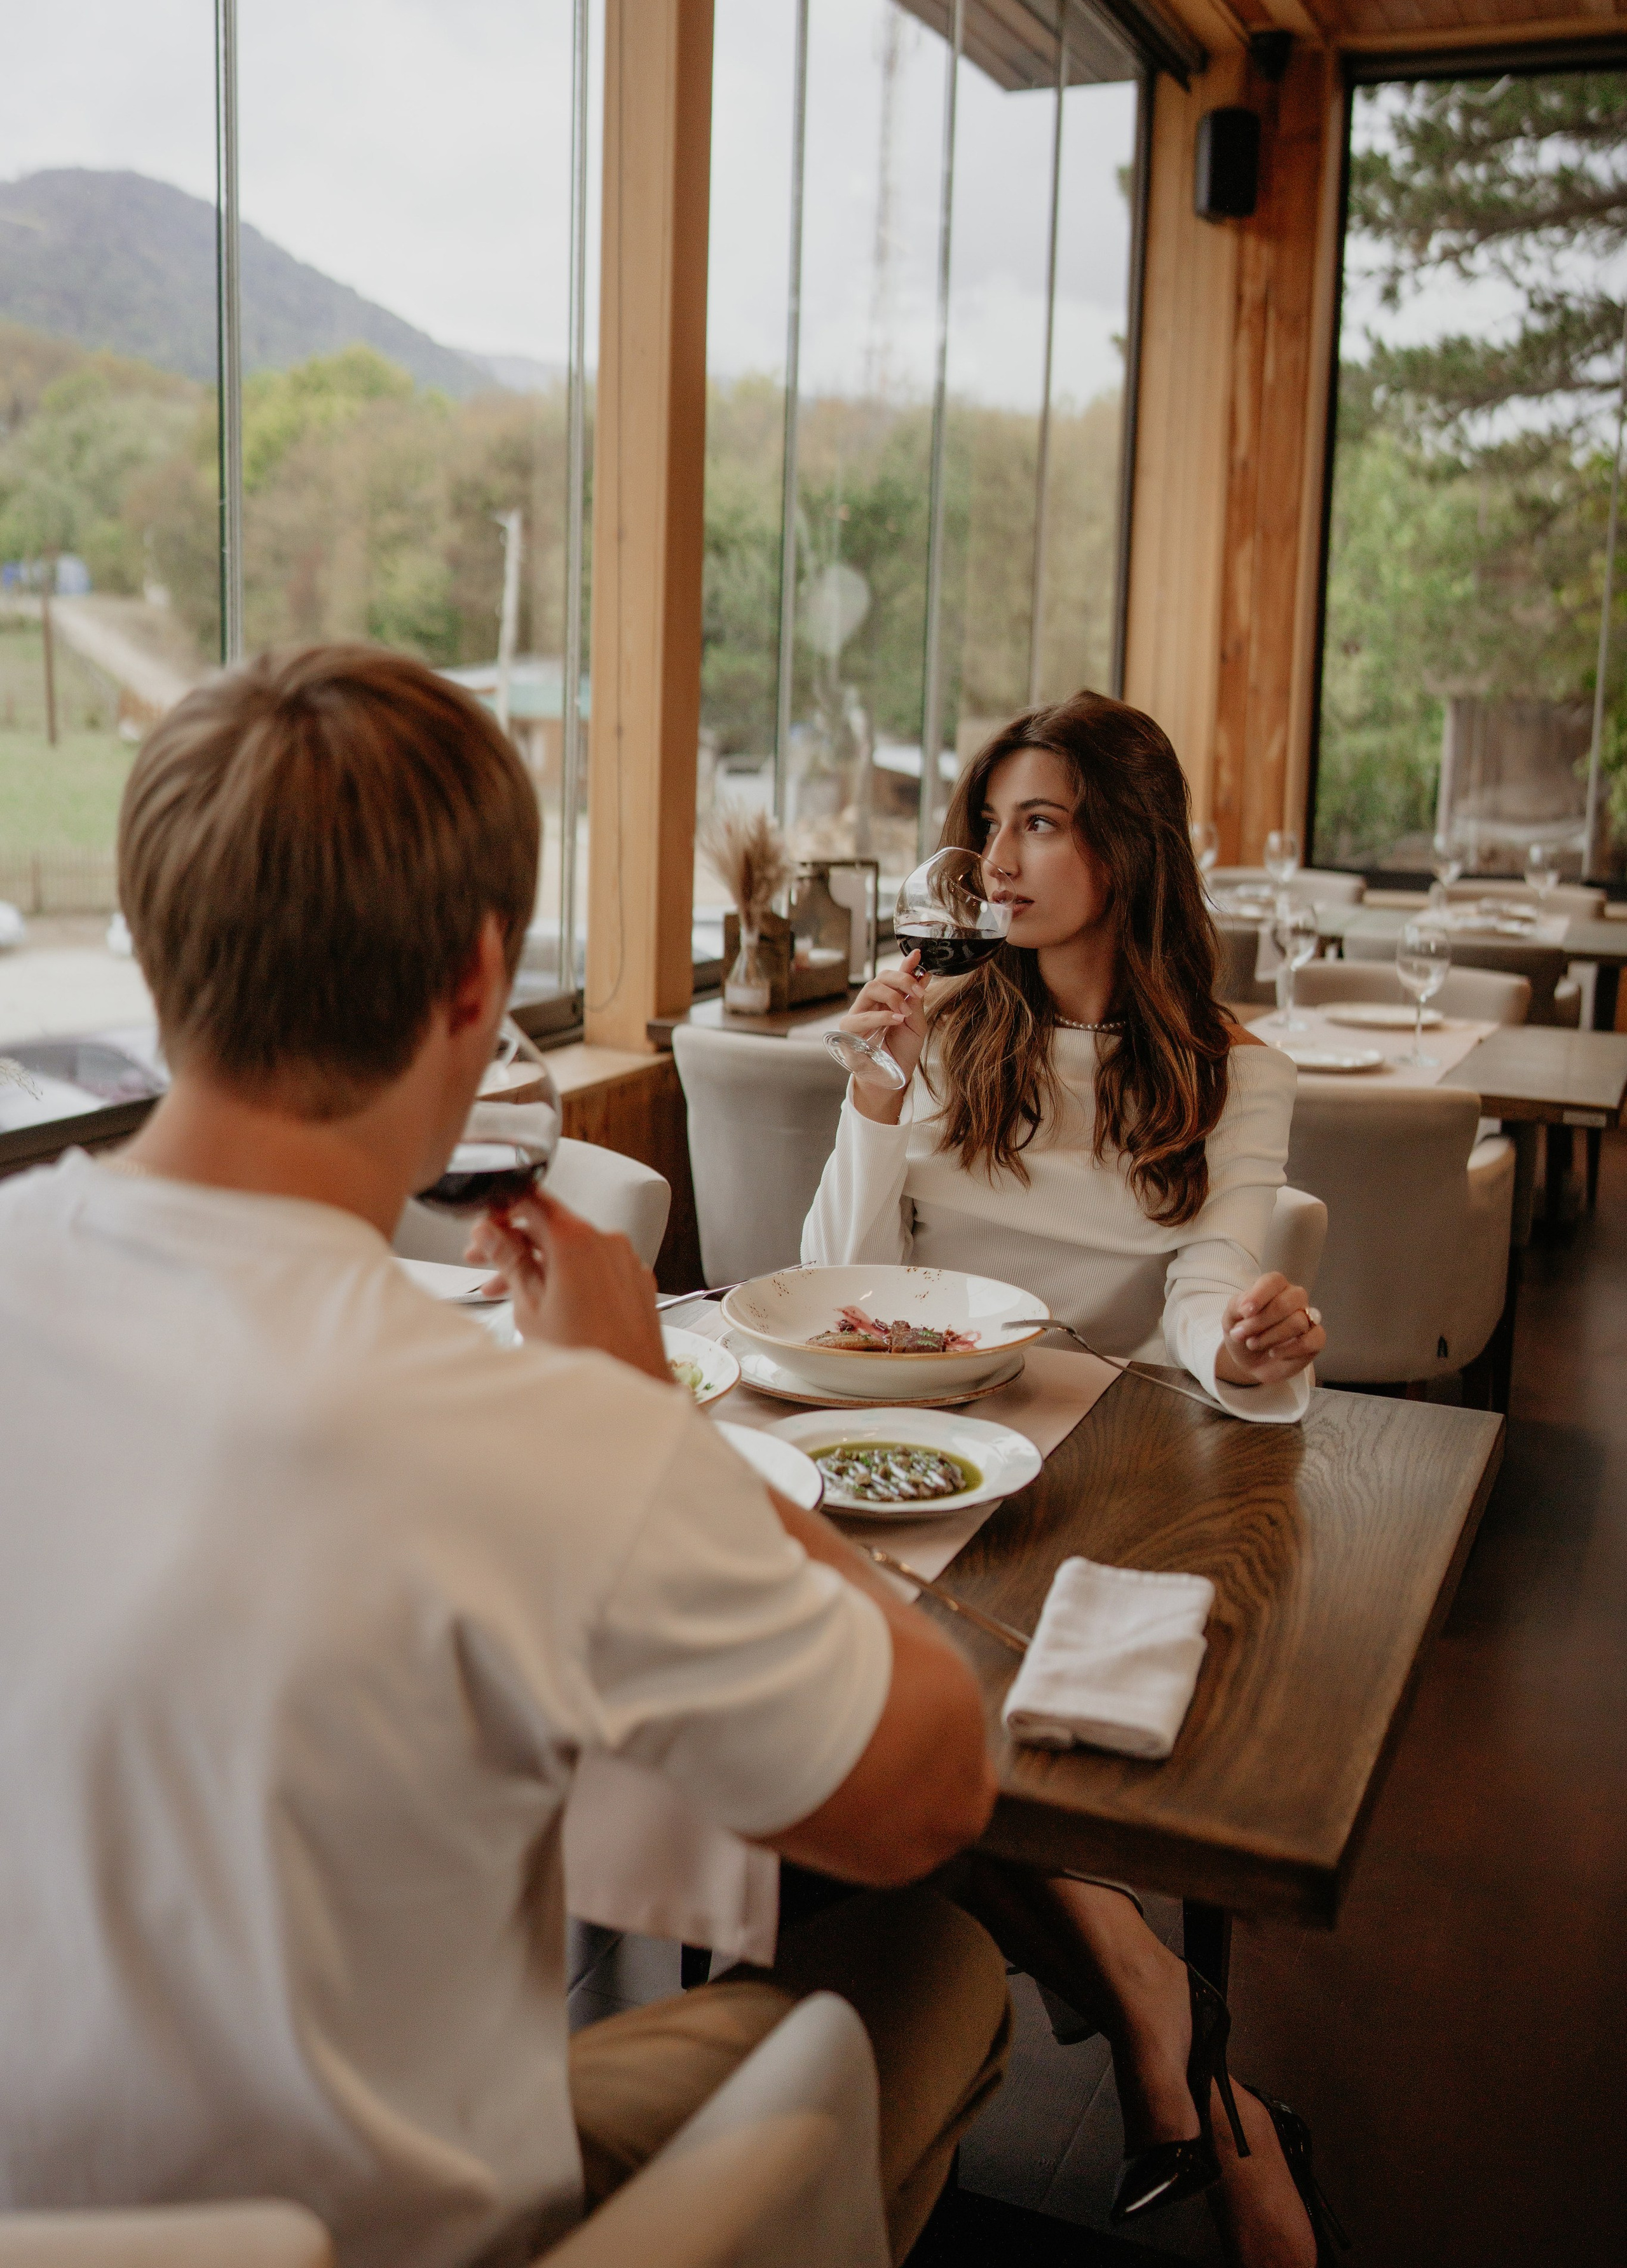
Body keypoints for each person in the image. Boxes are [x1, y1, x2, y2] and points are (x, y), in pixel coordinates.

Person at [0, 646, 1012, 2268]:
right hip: (400, 2243)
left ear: (146, 938)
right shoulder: (544, 1445)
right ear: (478, 980)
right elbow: (936, 1782)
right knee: (938, 1968)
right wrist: (636, 1416)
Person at [804, 692, 1331, 2268]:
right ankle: (1174, 2030)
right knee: (865, 1705)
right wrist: (875, 1099)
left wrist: (1242, 1344)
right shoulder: (953, 1022)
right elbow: (835, 1288)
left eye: (1043, 823)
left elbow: (1201, 1286)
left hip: (1097, 1475)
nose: (1006, 860)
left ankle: (1170, 2044)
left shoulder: (1238, 1068)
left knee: (927, 1736)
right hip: (903, 1455)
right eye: (995, 828)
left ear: (1124, 842)